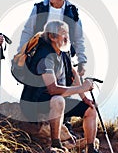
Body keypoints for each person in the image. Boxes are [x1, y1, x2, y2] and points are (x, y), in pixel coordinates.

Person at [20, 21, 100, 153]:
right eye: (63, 34)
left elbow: (73, 73)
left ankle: (90, 148)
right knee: (58, 100)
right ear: (52, 36)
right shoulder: (44, 56)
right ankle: (56, 144)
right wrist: (82, 88)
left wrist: (84, 98)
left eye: (67, 33)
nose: (67, 37)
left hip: (55, 102)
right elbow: (53, 89)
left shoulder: (63, 52)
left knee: (90, 110)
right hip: (35, 102)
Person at [18, 0, 87, 76]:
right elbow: (27, 31)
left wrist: (81, 61)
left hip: (63, 55)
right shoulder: (39, 8)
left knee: (65, 85)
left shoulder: (72, 11)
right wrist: (21, 53)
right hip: (40, 53)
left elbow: (78, 38)